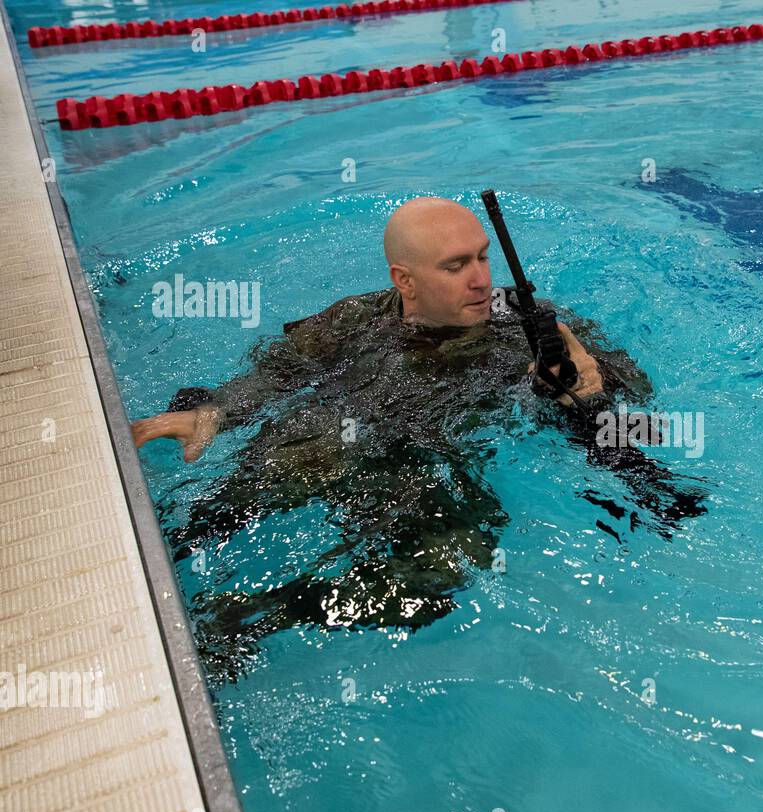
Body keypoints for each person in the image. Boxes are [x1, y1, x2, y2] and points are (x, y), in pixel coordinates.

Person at [132, 196, 705, 682]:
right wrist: (215, 410)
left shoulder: (536, 329)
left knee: (443, 571)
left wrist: (590, 395)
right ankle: (161, 561)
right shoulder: (356, 319)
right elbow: (277, 369)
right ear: (404, 281)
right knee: (303, 450)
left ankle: (252, 616)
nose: (482, 279)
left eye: (483, 257)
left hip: (424, 467)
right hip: (328, 441)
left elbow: (634, 402)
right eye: (456, 266)